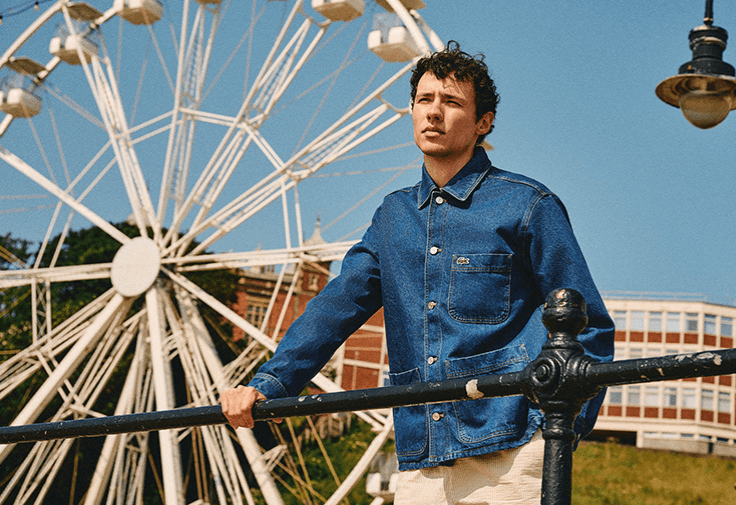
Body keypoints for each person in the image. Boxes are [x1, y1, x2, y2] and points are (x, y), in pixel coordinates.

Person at [222, 41, 614, 504]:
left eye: (451, 102)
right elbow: (336, 307)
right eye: (424, 100)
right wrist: (271, 383)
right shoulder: (393, 217)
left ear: (483, 122)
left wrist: (561, 427)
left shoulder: (527, 205)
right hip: (422, 455)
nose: (434, 112)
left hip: (512, 448)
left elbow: (588, 326)